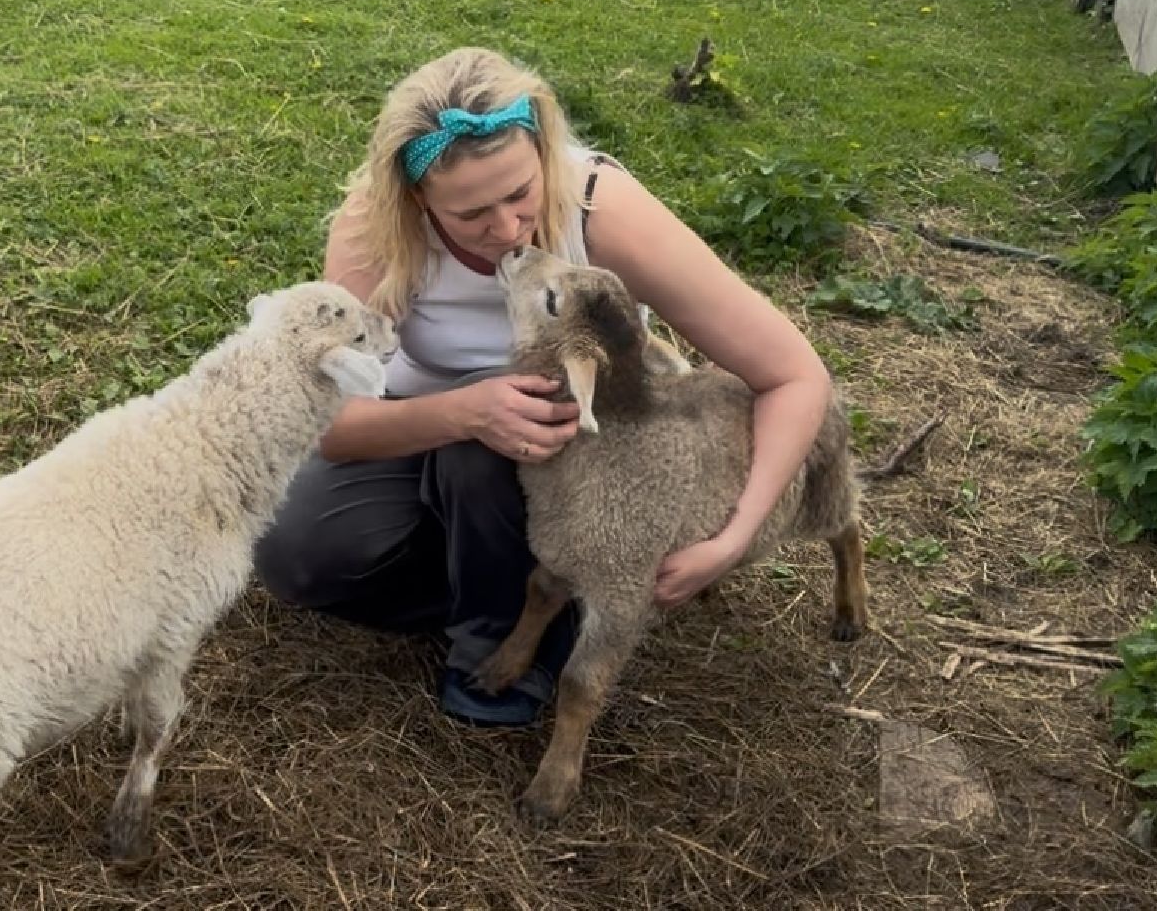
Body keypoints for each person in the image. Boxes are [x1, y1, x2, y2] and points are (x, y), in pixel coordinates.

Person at [251, 47, 836, 726]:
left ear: (542, 153)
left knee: (478, 460)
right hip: (426, 411)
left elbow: (793, 374)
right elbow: (329, 420)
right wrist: (462, 410)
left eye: (520, 194)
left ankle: (508, 637)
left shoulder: (598, 206)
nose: (505, 231)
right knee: (298, 558)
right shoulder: (373, 227)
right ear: (416, 197)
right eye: (470, 215)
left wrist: (734, 537)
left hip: (578, 429)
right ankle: (544, 586)